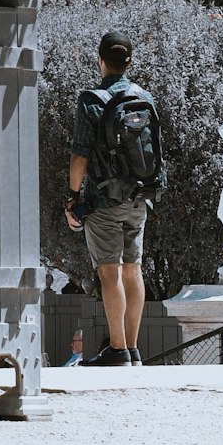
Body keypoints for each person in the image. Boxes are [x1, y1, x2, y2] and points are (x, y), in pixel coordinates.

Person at [64, 31, 162, 368]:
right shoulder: (145, 97)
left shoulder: (91, 100)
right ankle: (132, 349)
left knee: (110, 272)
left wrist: (74, 197)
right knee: (133, 269)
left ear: (100, 60)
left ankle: (118, 349)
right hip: (139, 198)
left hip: (103, 201)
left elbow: (79, 156)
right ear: (130, 62)